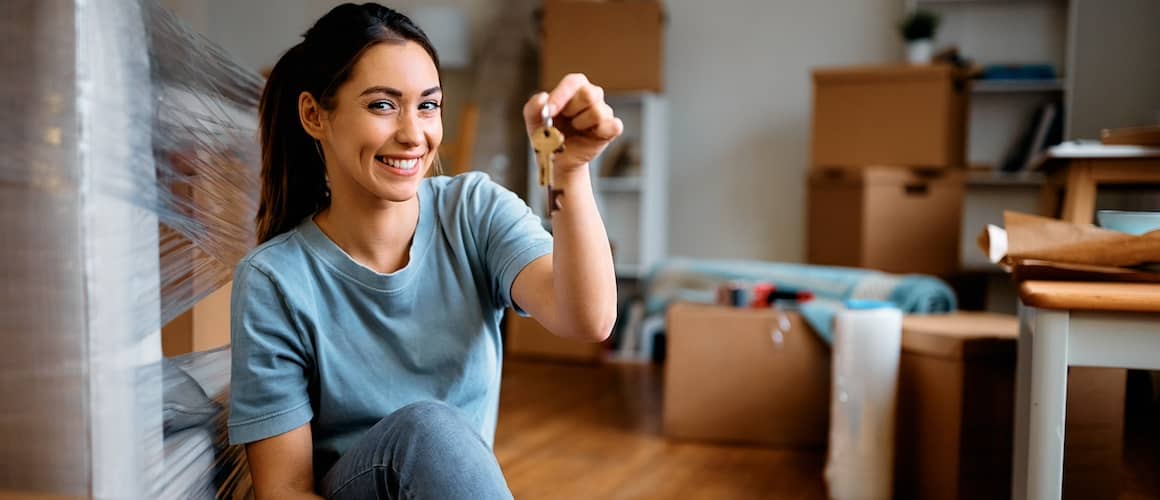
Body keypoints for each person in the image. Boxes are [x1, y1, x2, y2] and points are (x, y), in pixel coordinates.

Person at [226, 3, 620, 499]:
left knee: (432, 432)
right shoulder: (274, 279)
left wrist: (570, 172)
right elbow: (283, 491)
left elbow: (588, 320)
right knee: (426, 431)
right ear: (314, 115)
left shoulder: (473, 211)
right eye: (383, 105)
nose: (414, 135)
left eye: (428, 105)